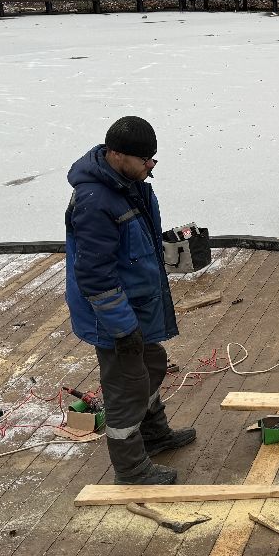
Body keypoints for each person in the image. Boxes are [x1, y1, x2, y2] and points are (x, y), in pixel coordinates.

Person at [65, 116, 195, 485]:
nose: (151, 166)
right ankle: (132, 469)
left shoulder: (132, 184)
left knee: (152, 364)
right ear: (117, 155)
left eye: (154, 159)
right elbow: (94, 275)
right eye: (145, 160)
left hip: (138, 305)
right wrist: (122, 330)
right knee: (125, 386)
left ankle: (154, 435)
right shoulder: (95, 203)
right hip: (112, 316)